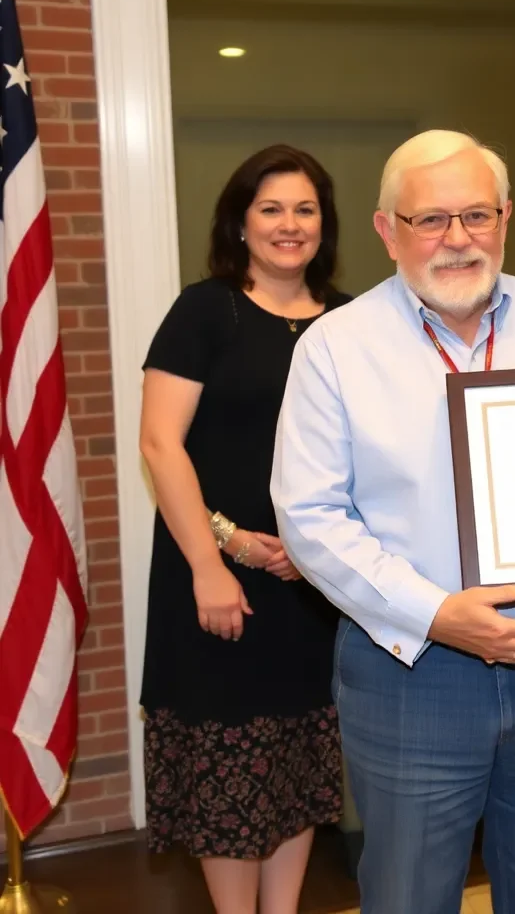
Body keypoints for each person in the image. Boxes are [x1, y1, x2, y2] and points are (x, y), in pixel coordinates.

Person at [271, 129, 515, 914]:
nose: (457, 239)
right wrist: (438, 615)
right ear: (386, 230)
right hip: (413, 675)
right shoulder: (335, 348)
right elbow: (312, 518)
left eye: (476, 215)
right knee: (409, 897)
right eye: (430, 220)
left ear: (506, 217)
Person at [139, 144, 350, 914]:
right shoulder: (207, 309)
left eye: (305, 209)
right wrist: (217, 554)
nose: (289, 225)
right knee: (228, 770)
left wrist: (319, 548)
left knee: (294, 762)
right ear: (240, 220)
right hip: (216, 579)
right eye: (271, 209)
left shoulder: (349, 321)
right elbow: (161, 444)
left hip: (310, 584)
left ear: (325, 225)